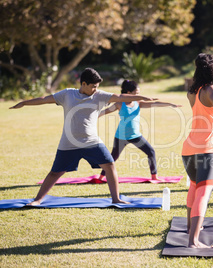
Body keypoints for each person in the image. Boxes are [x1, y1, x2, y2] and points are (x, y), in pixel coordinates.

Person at [10, 68, 155, 205]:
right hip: (69, 143)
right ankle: (37, 200)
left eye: (97, 86)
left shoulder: (99, 96)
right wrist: (23, 103)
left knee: (110, 165)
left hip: (92, 142)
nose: (95, 89)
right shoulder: (67, 94)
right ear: (83, 84)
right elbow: (44, 99)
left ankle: (116, 199)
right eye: (93, 86)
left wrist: (142, 97)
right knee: (55, 173)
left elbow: (120, 96)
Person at [182, 53, 213, 248]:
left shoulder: (192, 92)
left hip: (188, 148)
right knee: (204, 192)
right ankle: (193, 241)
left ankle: (191, 228)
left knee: (194, 186)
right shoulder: (211, 88)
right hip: (207, 150)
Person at [97, 80, 181, 181]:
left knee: (150, 151)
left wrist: (170, 104)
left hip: (136, 135)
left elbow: (154, 103)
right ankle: (101, 177)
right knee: (113, 158)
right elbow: (105, 112)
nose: (138, 95)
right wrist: (91, 117)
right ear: (128, 93)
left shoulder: (138, 103)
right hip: (121, 136)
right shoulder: (119, 104)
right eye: (136, 93)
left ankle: (154, 177)